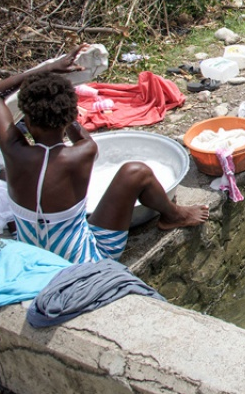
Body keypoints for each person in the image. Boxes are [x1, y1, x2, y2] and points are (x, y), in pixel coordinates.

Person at [0, 49, 209, 264]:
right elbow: (77, 132)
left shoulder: (12, 149)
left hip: (31, 258)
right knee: (136, 172)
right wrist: (67, 109)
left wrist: (46, 69)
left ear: (26, 119)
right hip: (83, 261)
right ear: (71, 115)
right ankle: (173, 215)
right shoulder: (82, 152)